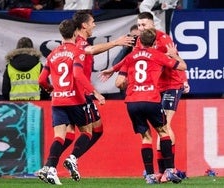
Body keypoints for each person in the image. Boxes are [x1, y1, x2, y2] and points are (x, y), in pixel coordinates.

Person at [100, 11, 190, 183]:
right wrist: (113, 69)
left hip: (171, 85)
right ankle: (164, 171)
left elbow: (177, 61)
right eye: (139, 25)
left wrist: (184, 81)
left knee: (164, 127)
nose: (140, 28)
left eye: (143, 25)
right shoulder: (141, 42)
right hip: (154, 89)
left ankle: (165, 171)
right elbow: (130, 59)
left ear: (152, 25)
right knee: (160, 130)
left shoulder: (163, 39)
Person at [36, 19, 105, 185]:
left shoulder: (52, 55)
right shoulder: (77, 52)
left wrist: (51, 89)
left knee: (59, 136)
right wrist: (95, 92)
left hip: (58, 100)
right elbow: (78, 75)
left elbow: (41, 80)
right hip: (75, 100)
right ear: (75, 33)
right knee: (87, 132)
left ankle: (50, 168)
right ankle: (71, 159)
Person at [66, 10, 134, 163]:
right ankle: (63, 161)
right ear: (84, 25)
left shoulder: (79, 42)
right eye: (92, 22)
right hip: (80, 94)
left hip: (79, 93)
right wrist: (116, 42)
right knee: (87, 131)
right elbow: (91, 50)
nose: (94, 25)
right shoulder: (79, 42)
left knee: (92, 130)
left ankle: (62, 162)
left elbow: (91, 51)